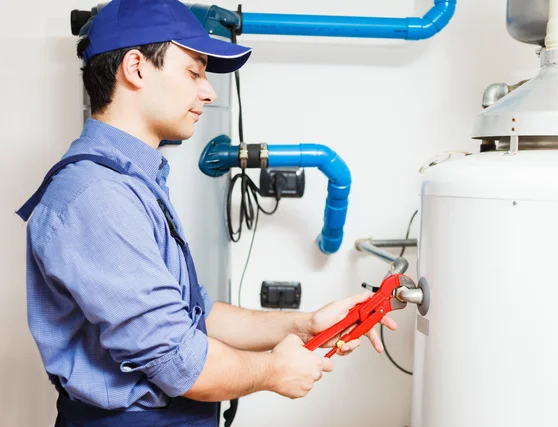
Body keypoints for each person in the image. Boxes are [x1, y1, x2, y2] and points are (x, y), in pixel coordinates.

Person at [17, 0, 397, 426]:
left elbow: (197, 315)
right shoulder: (97, 196)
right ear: (136, 67)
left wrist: (305, 325)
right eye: (194, 72)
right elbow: (180, 362)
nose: (209, 91)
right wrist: (274, 370)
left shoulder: (134, 181)